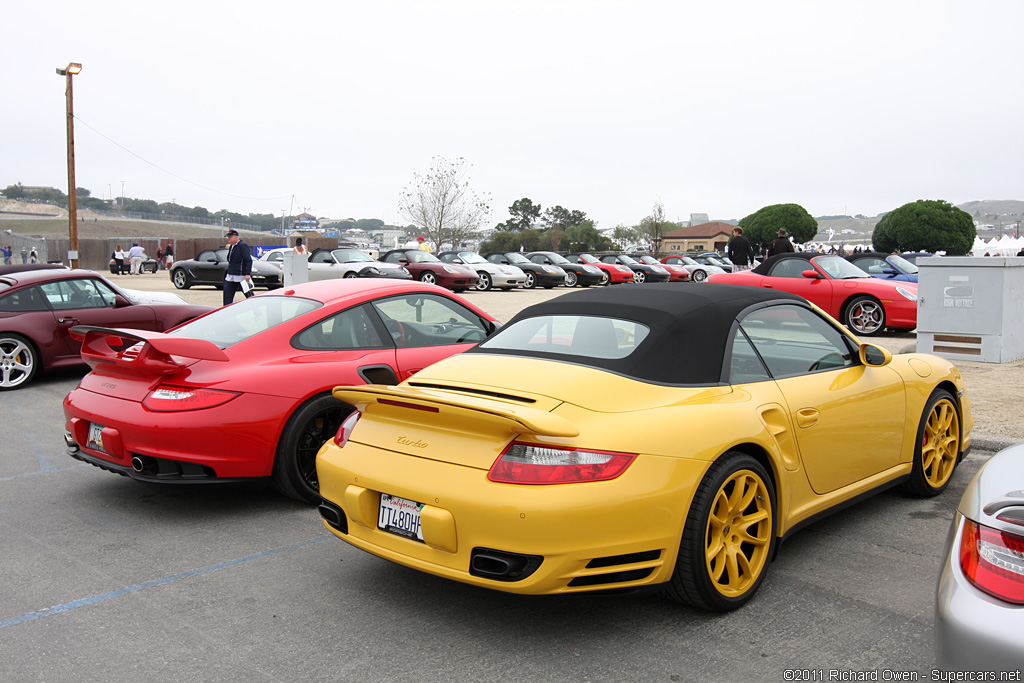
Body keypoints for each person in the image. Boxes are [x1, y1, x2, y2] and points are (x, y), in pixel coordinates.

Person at [223, 229, 253, 306]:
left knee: (249, 294)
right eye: (228, 237)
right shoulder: (232, 247)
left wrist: (247, 273)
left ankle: (257, 309)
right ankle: (226, 310)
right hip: (231, 275)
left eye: (230, 237)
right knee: (227, 295)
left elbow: (248, 260)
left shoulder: (242, 246)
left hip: (240, 275)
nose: (229, 239)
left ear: (236, 237)